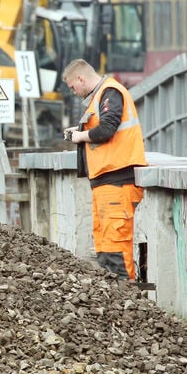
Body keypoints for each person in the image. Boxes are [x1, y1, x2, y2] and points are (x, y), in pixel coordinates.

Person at [62, 58, 146, 281]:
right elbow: (103, 126)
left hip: (117, 179)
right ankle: (116, 302)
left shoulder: (110, 92)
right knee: (105, 246)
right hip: (106, 181)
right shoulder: (100, 97)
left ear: (81, 78)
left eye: (73, 87)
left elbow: (108, 128)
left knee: (116, 246)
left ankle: (128, 301)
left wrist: (80, 136)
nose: (74, 92)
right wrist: (80, 129)